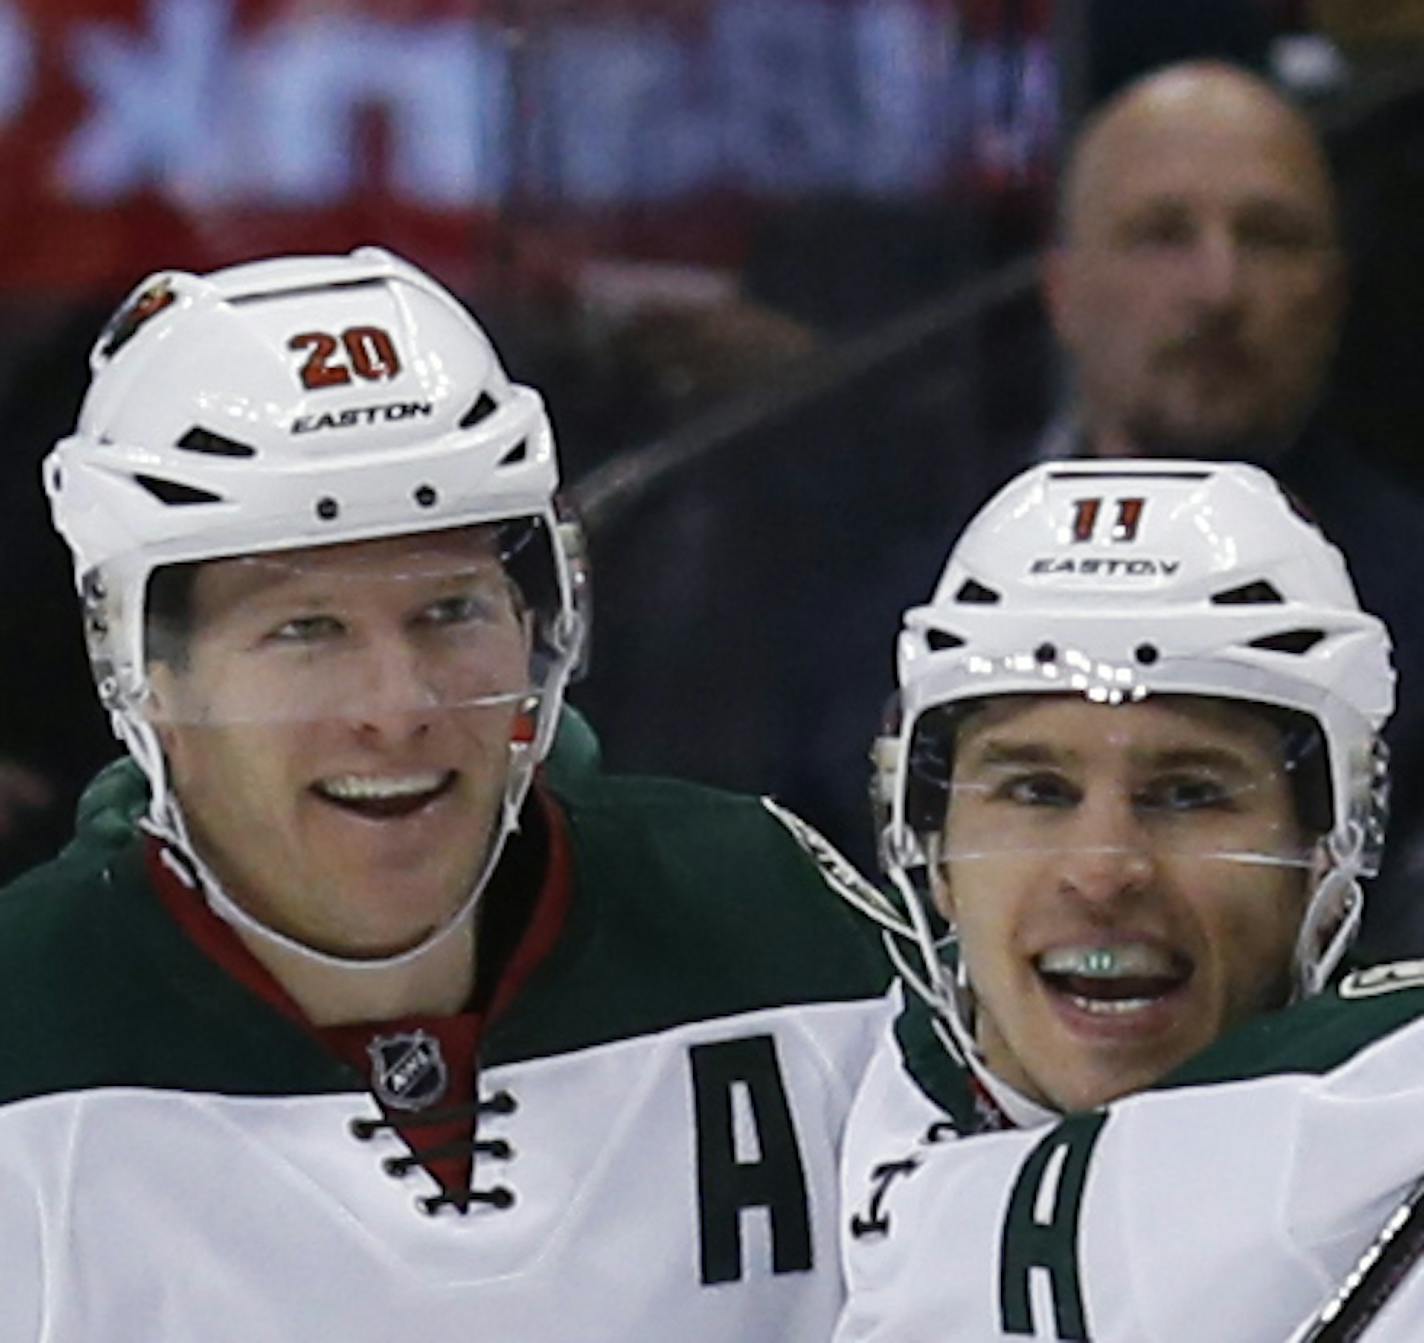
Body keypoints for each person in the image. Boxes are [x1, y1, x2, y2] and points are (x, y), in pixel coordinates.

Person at [0, 247, 890, 1342]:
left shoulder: (777, 923)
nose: (399, 704)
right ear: (151, 672)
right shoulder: (24, 1030)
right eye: (306, 628)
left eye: (450, 611)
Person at [828, 457, 1424, 1341]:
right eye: (1035, 790)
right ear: (929, 847)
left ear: (1330, 855)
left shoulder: (1387, 1125)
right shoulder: (808, 1089)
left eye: (1190, 794)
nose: (1104, 873)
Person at [1040, 58, 1424, 954]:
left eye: (1272, 237)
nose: (1219, 289)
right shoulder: (891, 604)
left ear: (1331, 292)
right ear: (1063, 291)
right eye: (1162, 234)